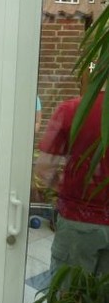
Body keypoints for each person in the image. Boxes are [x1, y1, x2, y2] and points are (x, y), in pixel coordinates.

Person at [35, 90, 109, 277]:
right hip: (81, 218)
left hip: (78, 219)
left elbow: (44, 169)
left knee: (70, 292)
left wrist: (67, 188)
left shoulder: (72, 109)